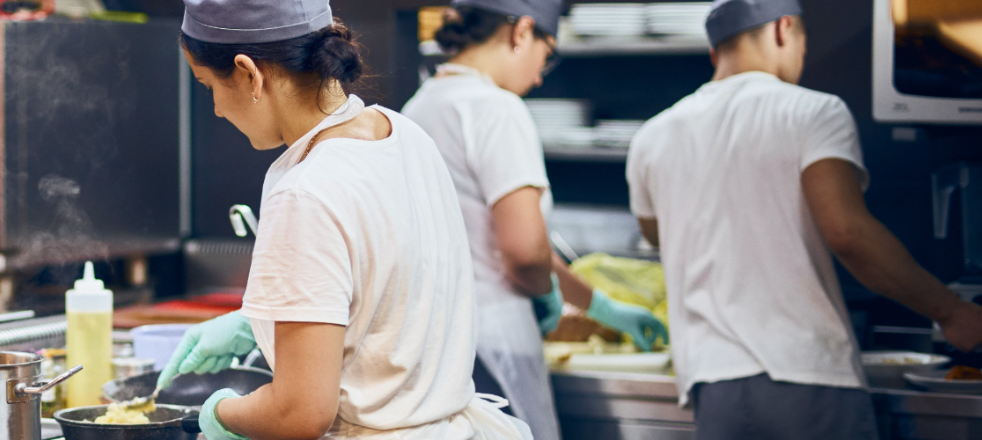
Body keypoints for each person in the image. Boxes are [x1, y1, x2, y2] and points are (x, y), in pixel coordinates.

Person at [156, 0, 530, 438]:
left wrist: (215, 414)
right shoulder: (406, 136)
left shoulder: (304, 191)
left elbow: (300, 412)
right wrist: (263, 324)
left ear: (249, 73)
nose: (217, 109)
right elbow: (389, 299)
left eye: (208, 86)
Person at [626, 0, 982, 437]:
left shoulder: (652, 136)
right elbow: (848, 233)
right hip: (808, 378)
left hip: (713, 384)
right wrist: (950, 311)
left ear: (715, 53)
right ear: (783, 30)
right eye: (802, 44)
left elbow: (658, 234)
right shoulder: (812, 111)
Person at [400, 2, 667, 439]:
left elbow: (496, 241)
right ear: (522, 31)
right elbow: (524, 253)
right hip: (495, 344)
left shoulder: (419, 106)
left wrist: (599, 306)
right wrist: (545, 298)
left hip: (434, 344)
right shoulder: (497, 109)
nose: (541, 76)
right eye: (547, 55)